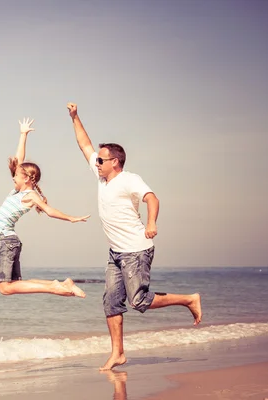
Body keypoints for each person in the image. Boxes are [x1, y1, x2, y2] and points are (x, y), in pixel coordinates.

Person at [66, 102, 203, 370]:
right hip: (116, 252)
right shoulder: (101, 178)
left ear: (115, 162)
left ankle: (189, 299)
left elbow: (152, 198)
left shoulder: (129, 179)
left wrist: (151, 222)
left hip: (136, 250)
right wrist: (75, 117)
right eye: (98, 160)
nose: (97, 162)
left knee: (138, 301)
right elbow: (84, 144)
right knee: (111, 302)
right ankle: (118, 353)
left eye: (101, 160)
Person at [0, 118, 90, 297]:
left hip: (4, 241)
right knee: (14, 285)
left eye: (17, 175)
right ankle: (61, 284)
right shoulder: (17, 191)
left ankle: (53, 288)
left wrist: (71, 218)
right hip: (4, 241)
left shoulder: (30, 195)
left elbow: (49, 211)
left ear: (26, 179)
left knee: (5, 288)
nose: (13, 177)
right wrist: (23, 135)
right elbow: (18, 160)